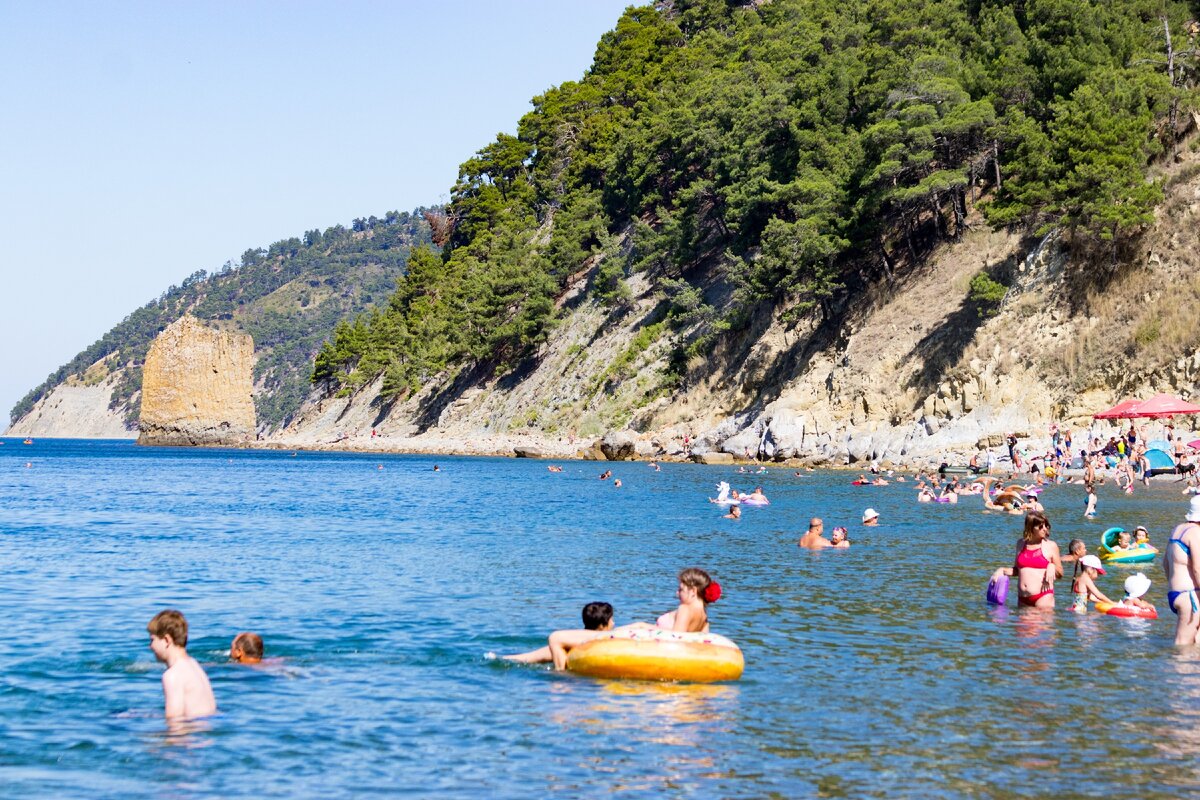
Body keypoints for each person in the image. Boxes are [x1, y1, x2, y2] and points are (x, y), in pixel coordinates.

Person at [547, 568, 721, 670]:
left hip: (637, 643)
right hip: (646, 646)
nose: (677, 593)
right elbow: (700, 639)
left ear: (692, 591)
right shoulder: (704, 615)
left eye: (680, 589)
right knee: (551, 649)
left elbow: (676, 638)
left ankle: (561, 679)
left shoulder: (685, 609)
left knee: (556, 638)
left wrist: (643, 627)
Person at [147, 610, 216, 720]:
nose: (150, 646)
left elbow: (175, 723)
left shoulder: (172, 675)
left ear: (166, 640)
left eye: (152, 640)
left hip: (193, 733)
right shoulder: (193, 664)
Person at [502, 602, 614, 664]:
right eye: (611, 620)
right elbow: (530, 657)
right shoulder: (570, 644)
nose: (613, 623)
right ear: (601, 625)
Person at [1164, 496, 1200, 644]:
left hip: (1176, 593)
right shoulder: (1196, 533)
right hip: (1190, 596)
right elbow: (1198, 568)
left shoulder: (1178, 529)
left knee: (1196, 643)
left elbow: (1165, 563)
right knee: (1182, 647)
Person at [1013, 511, 1063, 609]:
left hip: (1042, 596)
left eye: (1046, 526)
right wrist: (1002, 571)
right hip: (1022, 598)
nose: (1044, 529)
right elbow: (1017, 570)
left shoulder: (1051, 545)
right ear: (1030, 528)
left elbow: (1060, 573)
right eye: (1040, 527)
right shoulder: (1020, 544)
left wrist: (1051, 565)